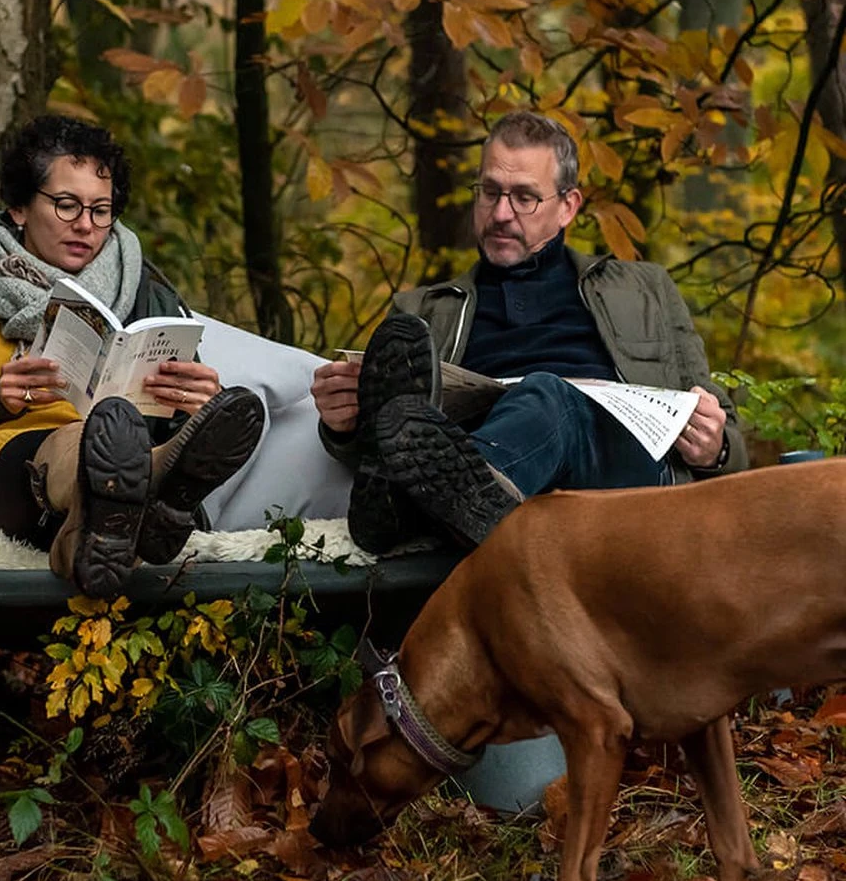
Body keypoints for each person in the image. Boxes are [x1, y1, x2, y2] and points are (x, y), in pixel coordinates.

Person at [311, 110, 747, 554]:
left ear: (568, 206)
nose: (501, 213)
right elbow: (395, 441)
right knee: (443, 410)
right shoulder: (421, 311)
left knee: (548, 393)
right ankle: (470, 497)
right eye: (490, 192)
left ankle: (430, 508)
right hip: (492, 460)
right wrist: (343, 426)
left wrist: (715, 447)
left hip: (621, 473)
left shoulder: (643, 289)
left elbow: (730, 438)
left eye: (524, 197)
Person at [0, 115, 264, 598]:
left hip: (104, 485)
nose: (85, 224)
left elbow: (181, 409)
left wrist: (196, 406)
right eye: (66, 205)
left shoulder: (147, 294)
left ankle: (96, 524)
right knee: (94, 441)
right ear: (19, 207)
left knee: (113, 446)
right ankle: (150, 480)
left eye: (101, 211)